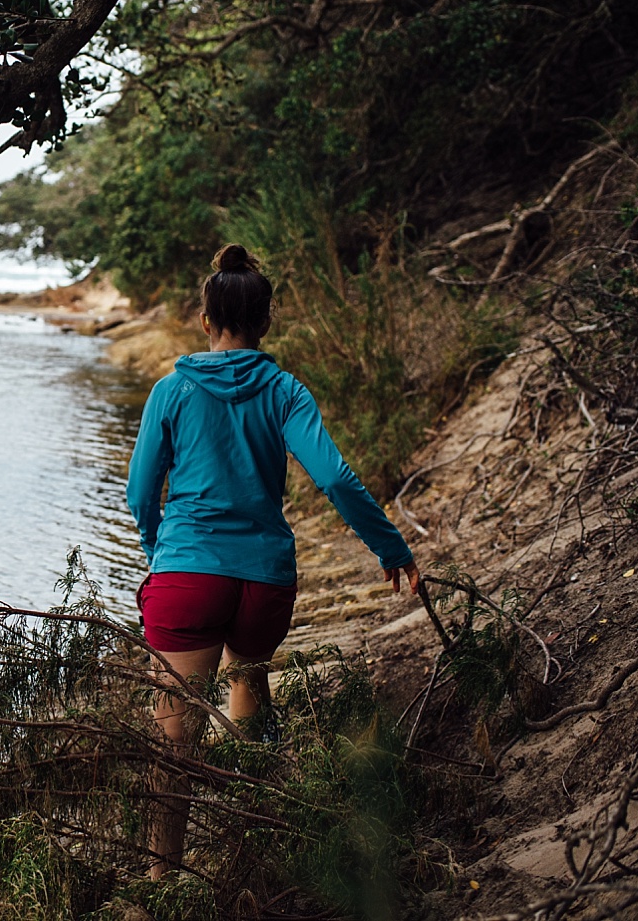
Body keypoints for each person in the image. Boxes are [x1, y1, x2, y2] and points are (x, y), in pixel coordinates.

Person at [126, 242, 420, 878]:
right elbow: (336, 479)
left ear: (206, 320)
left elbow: (139, 492)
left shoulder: (171, 391)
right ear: (266, 323)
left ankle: (160, 882)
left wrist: (163, 555)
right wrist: (390, 547)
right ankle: (251, 846)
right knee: (249, 693)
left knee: (173, 741)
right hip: (264, 582)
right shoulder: (286, 391)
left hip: (187, 577)